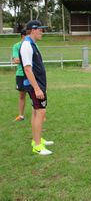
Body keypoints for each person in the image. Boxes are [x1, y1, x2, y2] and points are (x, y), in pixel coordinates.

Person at [19, 20, 54, 155]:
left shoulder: (32, 44)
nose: (42, 32)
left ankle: (37, 140)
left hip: (38, 85)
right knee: (40, 112)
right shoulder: (27, 45)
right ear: (33, 30)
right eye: (40, 29)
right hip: (35, 86)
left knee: (36, 111)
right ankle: (38, 146)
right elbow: (28, 70)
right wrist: (37, 89)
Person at [12, 29, 27, 122]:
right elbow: (16, 60)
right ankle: (21, 115)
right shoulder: (16, 46)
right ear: (23, 36)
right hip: (21, 74)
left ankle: (39, 115)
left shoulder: (33, 45)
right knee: (22, 95)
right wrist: (27, 58)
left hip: (32, 74)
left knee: (34, 95)